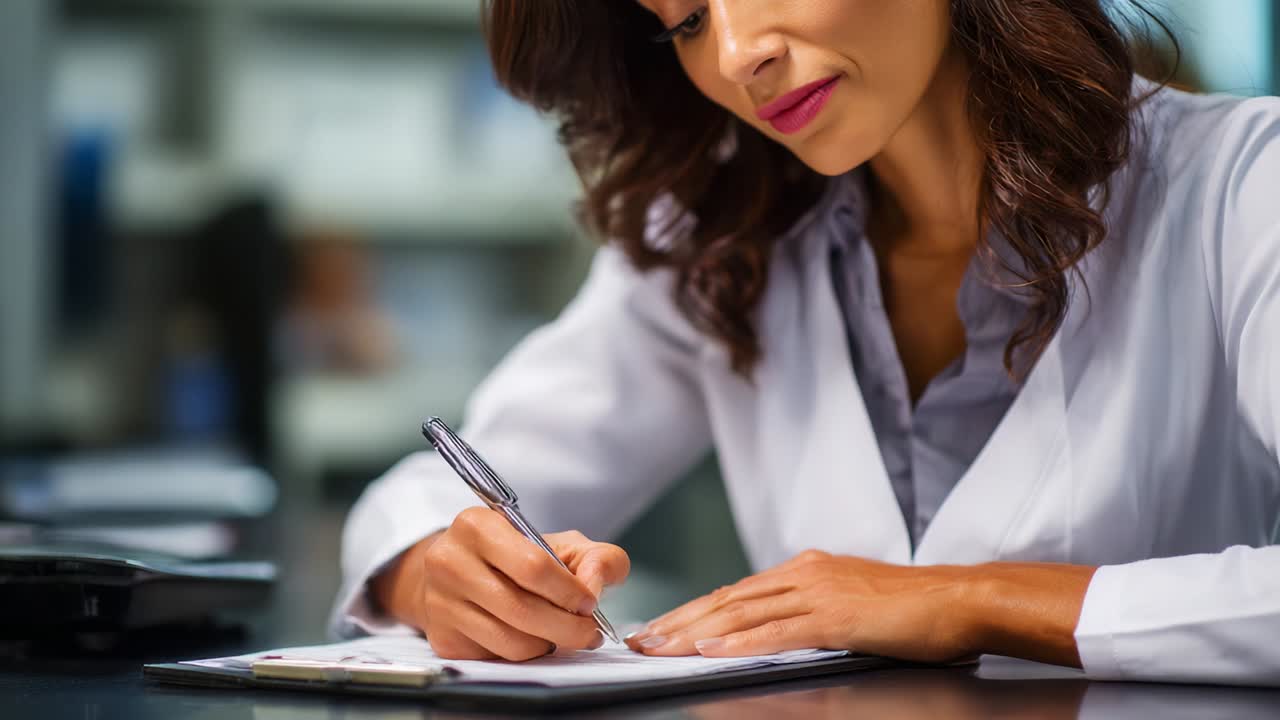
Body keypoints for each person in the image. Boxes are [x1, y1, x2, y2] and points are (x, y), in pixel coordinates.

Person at [330, 0, 1280, 684]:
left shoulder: (1242, 186)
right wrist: (438, 576)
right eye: (688, 22)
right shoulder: (716, 238)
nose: (738, 53)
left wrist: (970, 599)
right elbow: (430, 495)